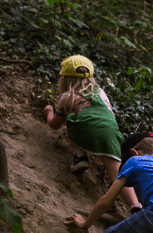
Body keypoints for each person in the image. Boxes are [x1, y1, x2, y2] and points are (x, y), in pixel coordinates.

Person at [43, 55, 140, 210]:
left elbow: (55, 124)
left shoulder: (67, 96)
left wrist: (49, 112)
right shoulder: (100, 92)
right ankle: (135, 205)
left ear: (64, 79)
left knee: (73, 119)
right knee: (118, 175)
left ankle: (80, 156)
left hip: (86, 130)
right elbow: (109, 114)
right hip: (111, 132)